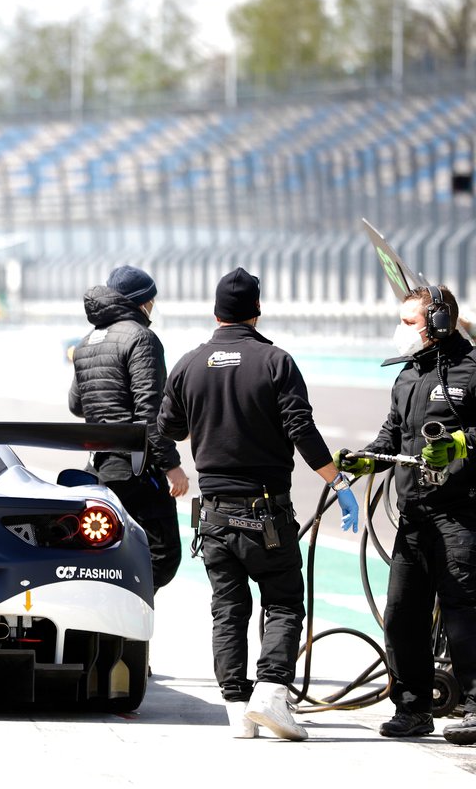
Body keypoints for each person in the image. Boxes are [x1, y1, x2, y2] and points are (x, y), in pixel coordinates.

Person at [157, 267, 360, 741]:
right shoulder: (275, 361)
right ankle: (270, 694)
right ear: (257, 311)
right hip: (266, 511)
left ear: (215, 313)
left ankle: (235, 708)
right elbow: (300, 428)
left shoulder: (189, 363)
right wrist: (338, 481)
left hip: (213, 514)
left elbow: (168, 429)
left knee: (228, 608)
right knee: (285, 602)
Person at [333, 284, 476, 745]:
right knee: (400, 614)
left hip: (462, 516)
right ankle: (413, 709)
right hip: (413, 516)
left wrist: (459, 444)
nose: (401, 331)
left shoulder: (472, 370)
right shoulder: (407, 377)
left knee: (464, 615)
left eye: (409, 322)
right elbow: (391, 437)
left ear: (437, 324)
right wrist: (365, 461)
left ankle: (474, 708)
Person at [68, 265, 189, 592]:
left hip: (100, 469)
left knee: (106, 554)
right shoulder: (142, 338)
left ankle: (108, 616)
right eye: (151, 300)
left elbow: (77, 405)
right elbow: (149, 414)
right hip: (137, 469)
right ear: (141, 302)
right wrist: (172, 466)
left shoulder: (85, 342)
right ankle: (126, 619)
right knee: (163, 555)